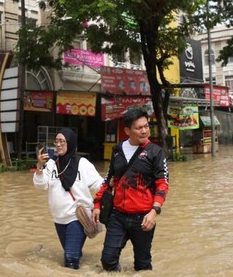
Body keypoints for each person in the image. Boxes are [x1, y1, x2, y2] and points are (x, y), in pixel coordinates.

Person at [92, 108, 169, 271]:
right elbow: (108, 179)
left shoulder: (156, 152)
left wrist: (154, 212)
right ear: (127, 130)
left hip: (143, 218)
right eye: (139, 128)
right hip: (117, 215)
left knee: (142, 265)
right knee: (108, 260)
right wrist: (97, 204)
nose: (144, 131)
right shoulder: (118, 150)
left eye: (146, 126)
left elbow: (163, 184)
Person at [33, 128, 103, 269]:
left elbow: (100, 185)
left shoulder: (82, 163)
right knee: (72, 253)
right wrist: (40, 167)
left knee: (70, 259)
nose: (58, 145)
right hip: (59, 218)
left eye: (62, 141)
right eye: (56, 141)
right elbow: (40, 186)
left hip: (77, 217)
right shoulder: (51, 164)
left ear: (70, 143)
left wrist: (98, 206)